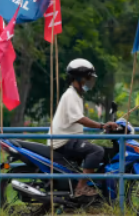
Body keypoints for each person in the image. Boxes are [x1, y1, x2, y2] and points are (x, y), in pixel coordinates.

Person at [50, 59, 118, 197]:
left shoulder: (76, 95)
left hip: (71, 140)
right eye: (88, 78)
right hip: (64, 141)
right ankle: (81, 188)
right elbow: (80, 119)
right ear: (79, 78)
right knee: (97, 151)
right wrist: (101, 126)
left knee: (100, 149)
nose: (90, 81)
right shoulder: (70, 95)